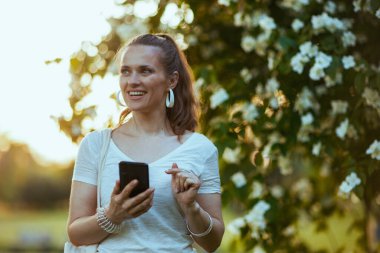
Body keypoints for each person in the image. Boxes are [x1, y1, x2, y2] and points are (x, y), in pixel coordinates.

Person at [66, 33, 224, 252]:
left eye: (145, 71)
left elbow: (213, 242)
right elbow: (76, 232)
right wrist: (112, 215)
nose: (132, 81)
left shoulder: (200, 148)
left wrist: (191, 208)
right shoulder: (95, 145)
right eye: (125, 71)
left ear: (172, 80)